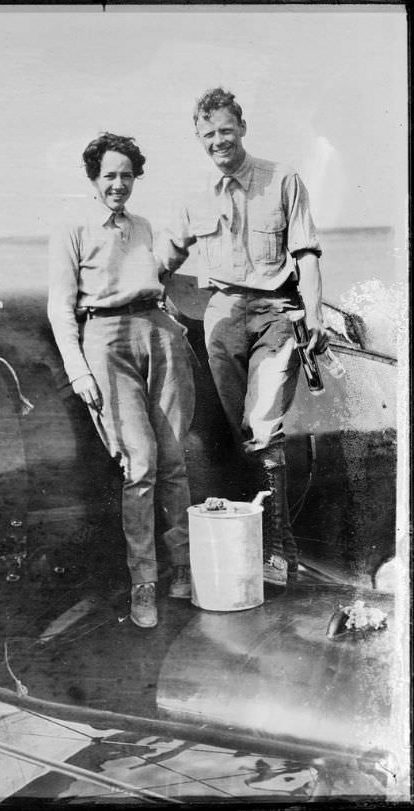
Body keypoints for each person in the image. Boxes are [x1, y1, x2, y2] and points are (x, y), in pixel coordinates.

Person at [157, 88, 328, 587]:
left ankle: (279, 549)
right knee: (244, 433)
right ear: (198, 139)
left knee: (262, 421)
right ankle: (274, 543)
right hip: (223, 315)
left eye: (225, 130)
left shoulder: (283, 179)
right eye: (208, 134)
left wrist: (313, 313)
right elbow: (165, 258)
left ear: (242, 128)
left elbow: (307, 253)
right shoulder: (193, 196)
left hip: (278, 313)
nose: (218, 141)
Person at [47, 132, 196, 628]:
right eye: (109, 175)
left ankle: (183, 569)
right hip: (105, 341)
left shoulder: (145, 226)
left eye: (127, 175)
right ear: (93, 179)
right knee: (140, 463)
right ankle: (144, 583)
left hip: (157, 333)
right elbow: (60, 305)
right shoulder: (72, 227)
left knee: (175, 460)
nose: (118, 184)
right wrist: (77, 368)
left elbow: (154, 276)